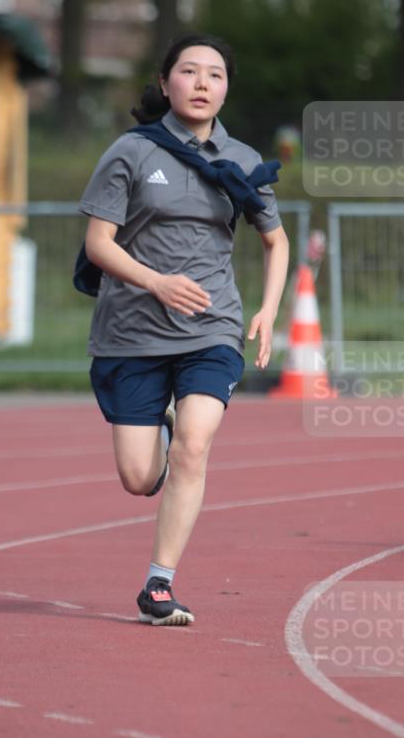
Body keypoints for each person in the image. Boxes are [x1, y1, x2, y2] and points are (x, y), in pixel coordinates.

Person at [78, 33, 289, 626]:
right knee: (137, 477)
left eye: (215, 75)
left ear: (226, 88)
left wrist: (269, 310)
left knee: (196, 446)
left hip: (211, 327)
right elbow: (98, 245)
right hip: (131, 333)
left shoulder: (242, 160)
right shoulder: (130, 152)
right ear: (166, 82)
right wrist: (156, 282)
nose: (202, 84)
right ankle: (160, 443)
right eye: (189, 72)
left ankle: (159, 585)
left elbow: (276, 241)